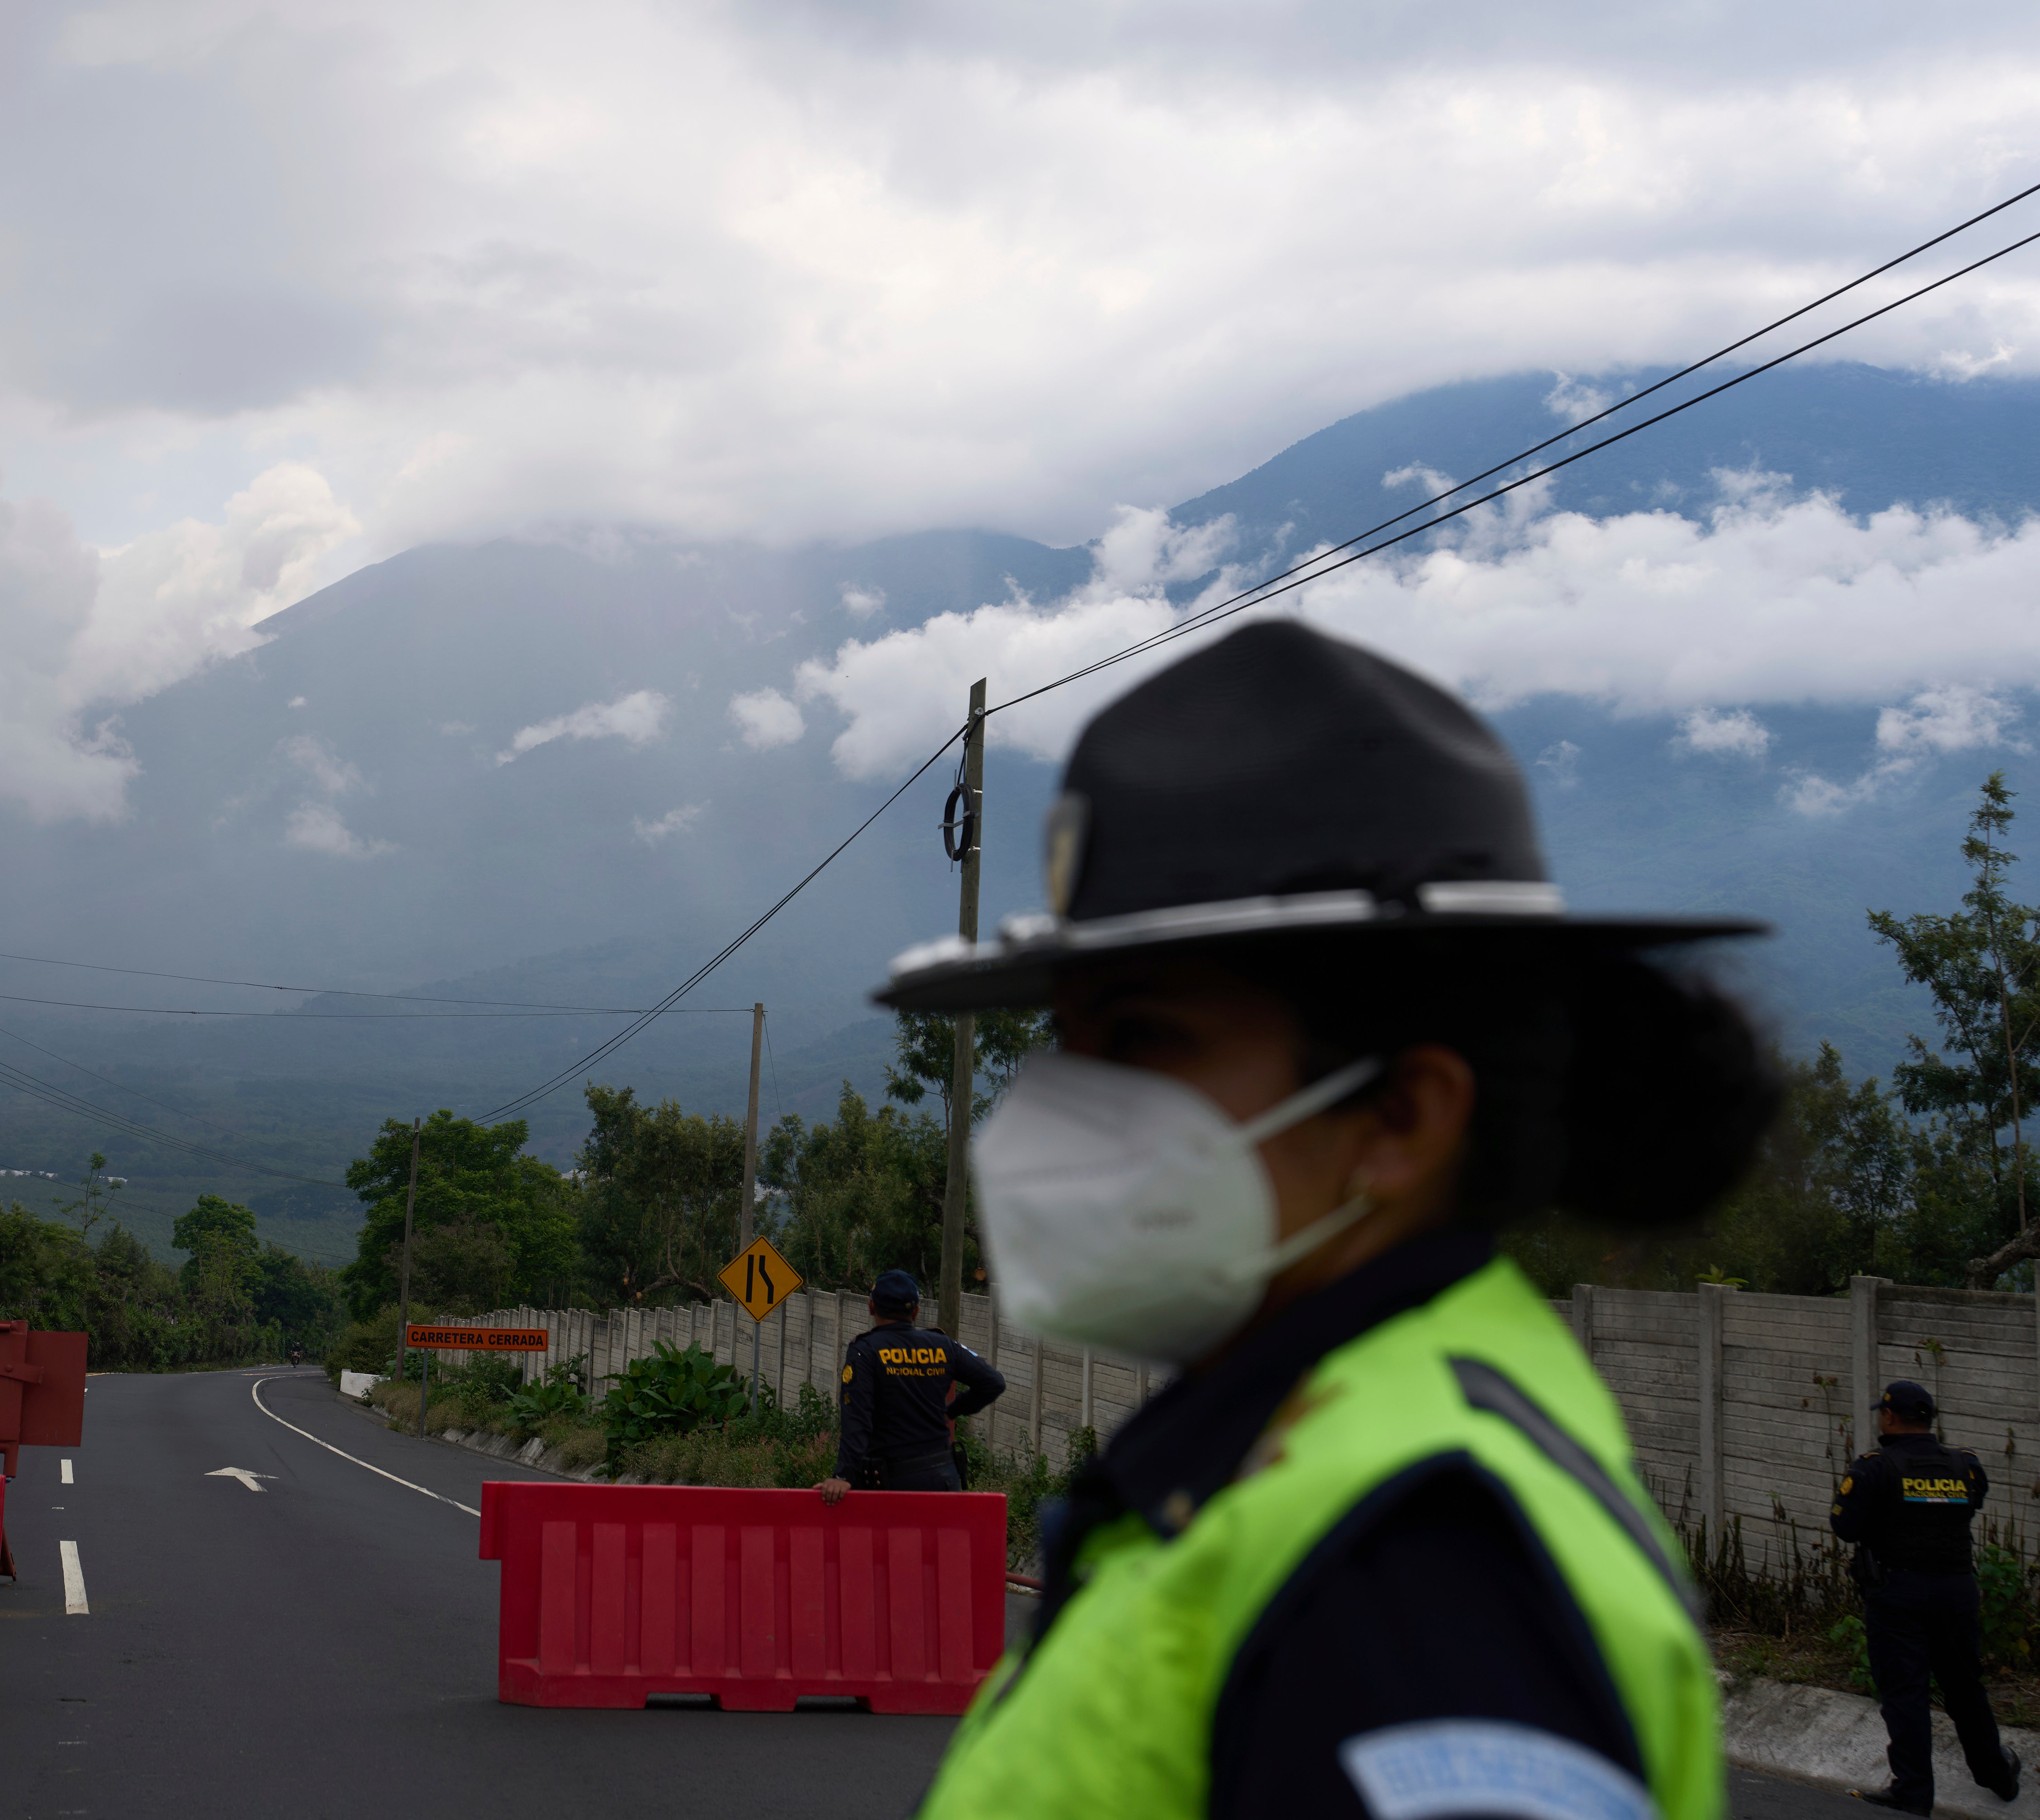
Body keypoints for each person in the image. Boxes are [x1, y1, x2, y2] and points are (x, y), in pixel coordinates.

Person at [895, 621, 1777, 1820]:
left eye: (1146, 1038)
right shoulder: (1281, 1465)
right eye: (1070, 1041)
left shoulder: (1417, 1564)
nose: (1057, 1110)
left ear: (1399, 1119)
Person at [1829, 1379, 2021, 1812]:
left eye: (1883, 1412)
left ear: (1890, 1417)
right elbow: (1972, 1503)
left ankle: (1914, 1791)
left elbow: (1845, 1527)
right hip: (1956, 1592)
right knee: (1965, 1688)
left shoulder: (1874, 1467)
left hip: (1899, 1594)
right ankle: (1998, 1774)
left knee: (1905, 1692)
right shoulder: (1963, 1464)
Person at [816, 1269, 1006, 1500]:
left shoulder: (865, 1351)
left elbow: (857, 1420)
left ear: (871, 1307)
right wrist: (951, 1412)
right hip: (943, 1480)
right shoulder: (942, 1346)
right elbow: (993, 1382)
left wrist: (843, 1476)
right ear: (915, 1312)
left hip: (889, 1486)